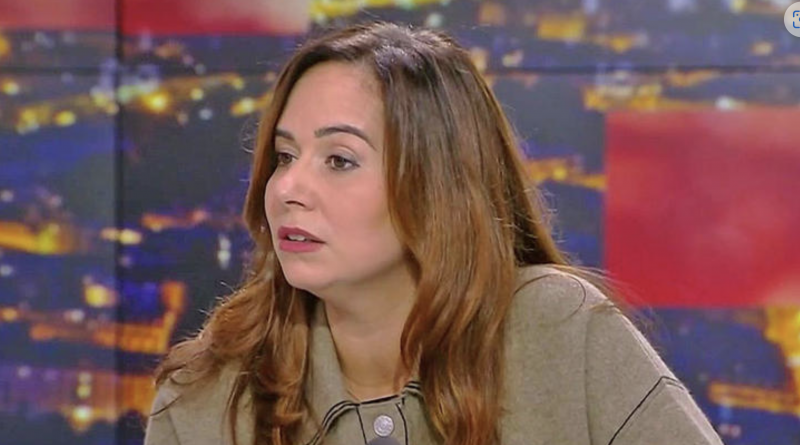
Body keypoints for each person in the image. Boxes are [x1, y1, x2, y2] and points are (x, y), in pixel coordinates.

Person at [144, 21, 723, 445]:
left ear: (435, 183)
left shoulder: (556, 327)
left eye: (339, 160)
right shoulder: (206, 398)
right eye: (284, 155)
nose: (288, 187)